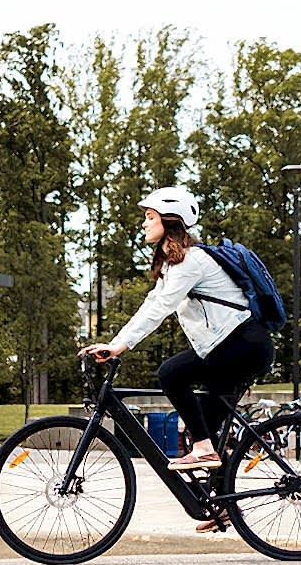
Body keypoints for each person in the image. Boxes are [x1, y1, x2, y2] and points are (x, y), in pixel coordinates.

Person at [78, 186, 275, 480]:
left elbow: (163, 308)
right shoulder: (176, 263)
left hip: (243, 344)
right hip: (237, 347)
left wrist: (120, 346)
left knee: (170, 374)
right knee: (201, 430)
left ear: (169, 219)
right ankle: (221, 505)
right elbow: (152, 303)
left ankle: (206, 450)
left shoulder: (190, 261)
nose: (144, 223)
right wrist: (118, 342)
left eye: (149, 216)